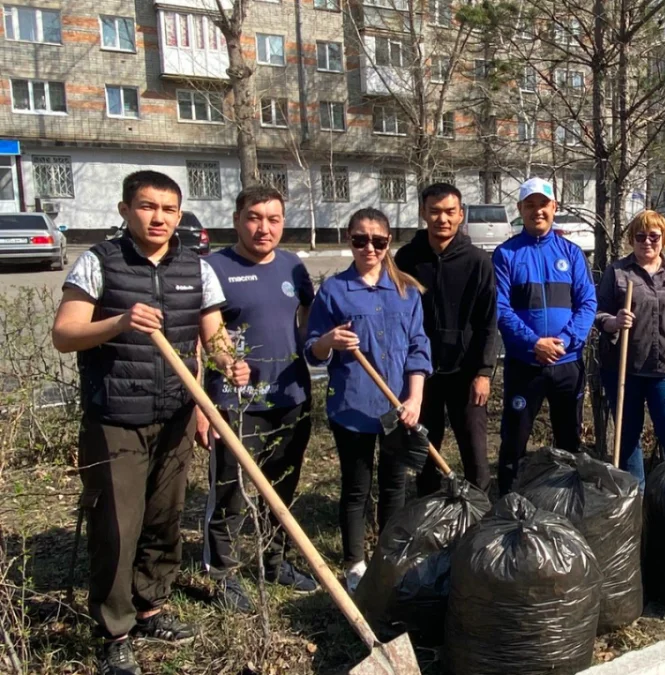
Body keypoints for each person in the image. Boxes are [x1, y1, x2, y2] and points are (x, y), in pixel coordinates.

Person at [51, 170, 249, 675]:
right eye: (146, 206)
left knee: (164, 516)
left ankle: (150, 606)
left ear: (179, 216)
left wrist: (230, 363)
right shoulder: (100, 263)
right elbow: (65, 333)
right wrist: (118, 322)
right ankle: (114, 630)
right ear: (124, 210)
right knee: (118, 524)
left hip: (176, 414)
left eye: (168, 209)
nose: (158, 217)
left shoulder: (195, 267)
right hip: (117, 415)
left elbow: (213, 335)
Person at [201, 185, 318, 614]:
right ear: (236, 220)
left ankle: (275, 562)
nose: (263, 227)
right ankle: (224, 576)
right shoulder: (214, 267)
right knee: (229, 493)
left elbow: (309, 321)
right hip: (236, 404)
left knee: (282, 490)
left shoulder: (293, 266)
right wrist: (224, 364)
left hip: (291, 398)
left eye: (273, 218)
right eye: (254, 217)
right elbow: (208, 332)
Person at [305, 208, 432, 592]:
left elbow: (417, 348)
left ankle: (387, 556)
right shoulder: (334, 290)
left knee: (395, 485)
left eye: (378, 241)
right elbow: (313, 349)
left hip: (396, 408)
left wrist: (414, 399)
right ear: (349, 240)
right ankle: (355, 561)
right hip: (351, 406)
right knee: (356, 486)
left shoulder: (406, 290)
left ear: (388, 242)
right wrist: (331, 341)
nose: (369, 248)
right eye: (360, 240)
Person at [493, 177, 596, 493]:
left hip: (567, 365)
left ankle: (567, 503)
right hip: (526, 365)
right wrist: (533, 342)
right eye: (530, 205)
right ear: (520, 209)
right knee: (514, 440)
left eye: (543, 205)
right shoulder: (506, 254)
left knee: (569, 440)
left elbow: (588, 302)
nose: (537, 211)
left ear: (555, 207)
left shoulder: (572, 253)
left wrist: (564, 340)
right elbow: (500, 308)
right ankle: (508, 504)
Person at [395, 182, 498, 495]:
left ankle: (480, 517)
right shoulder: (407, 259)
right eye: (435, 211)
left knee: (475, 455)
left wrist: (483, 372)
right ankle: (429, 514)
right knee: (426, 452)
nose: (443, 219)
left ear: (461, 214)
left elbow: (487, 322)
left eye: (450, 212)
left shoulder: (478, 261)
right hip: (421, 374)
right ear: (423, 213)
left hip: (465, 373)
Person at [594, 210, 665, 488]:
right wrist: (614, 322)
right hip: (625, 369)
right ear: (632, 240)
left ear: (664, 238)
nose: (647, 242)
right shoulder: (618, 272)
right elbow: (597, 312)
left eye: (653, 236)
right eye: (640, 236)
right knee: (628, 437)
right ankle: (636, 497)